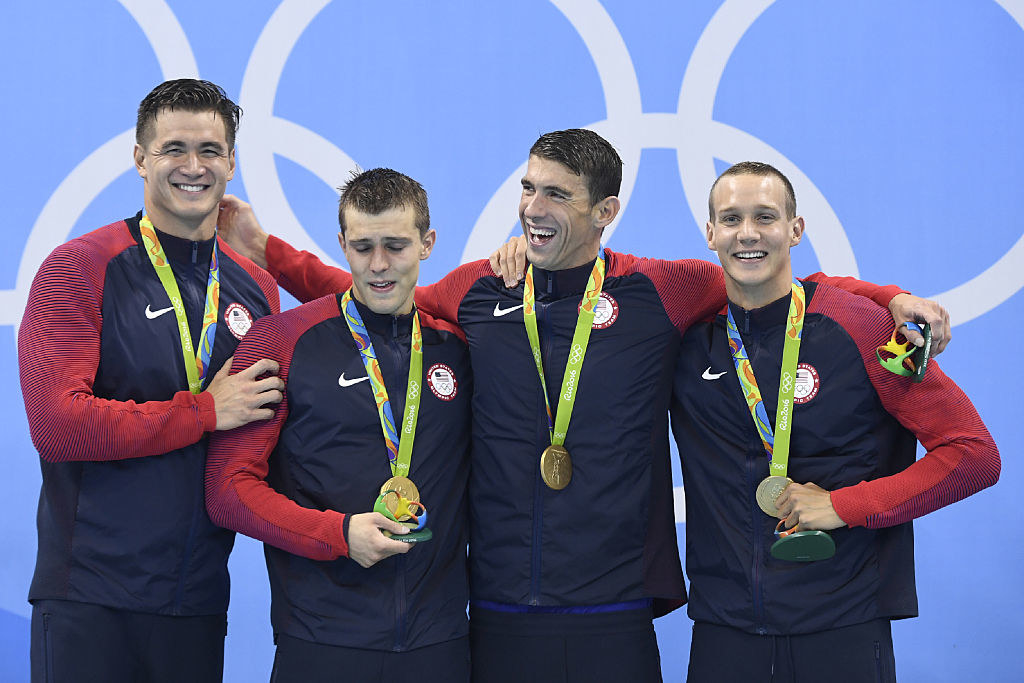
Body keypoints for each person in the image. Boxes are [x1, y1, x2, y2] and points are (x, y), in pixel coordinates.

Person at [218, 129, 948, 682]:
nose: (532, 209)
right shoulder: (480, 288)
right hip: (498, 610)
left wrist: (892, 300)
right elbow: (376, 292)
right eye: (529, 189)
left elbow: (778, 282)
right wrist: (271, 252)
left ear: (606, 211)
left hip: (616, 611)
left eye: (555, 195)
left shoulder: (664, 290)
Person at [671, 161, 1000, 682]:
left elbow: (974, 454)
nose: (748, 233)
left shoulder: (866, 327)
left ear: (796, 229)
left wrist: (842, 506)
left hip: (842, 624)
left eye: (766, 217)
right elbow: (598, 277)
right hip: (724, 629)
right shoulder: (686, 336)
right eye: (731, 219)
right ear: (710, 234)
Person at [18, 79, 285, 683]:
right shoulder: (80, 266)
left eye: (211, 151)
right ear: (140, 158)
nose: (194, 167)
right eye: (174, 149)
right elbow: (57, 426)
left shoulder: (254, 288)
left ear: (233, 163)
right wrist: (202, 412)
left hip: (194, 602)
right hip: (91, 597)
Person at [206, 168, 472, 683]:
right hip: (320, 637)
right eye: (362, 247)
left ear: (428, 244)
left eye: (396, 246)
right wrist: (338, 533)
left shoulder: (459, 346)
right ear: (342, 245)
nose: (378, 266)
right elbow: (226, 490)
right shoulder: (279, 341)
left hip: (439, 641)